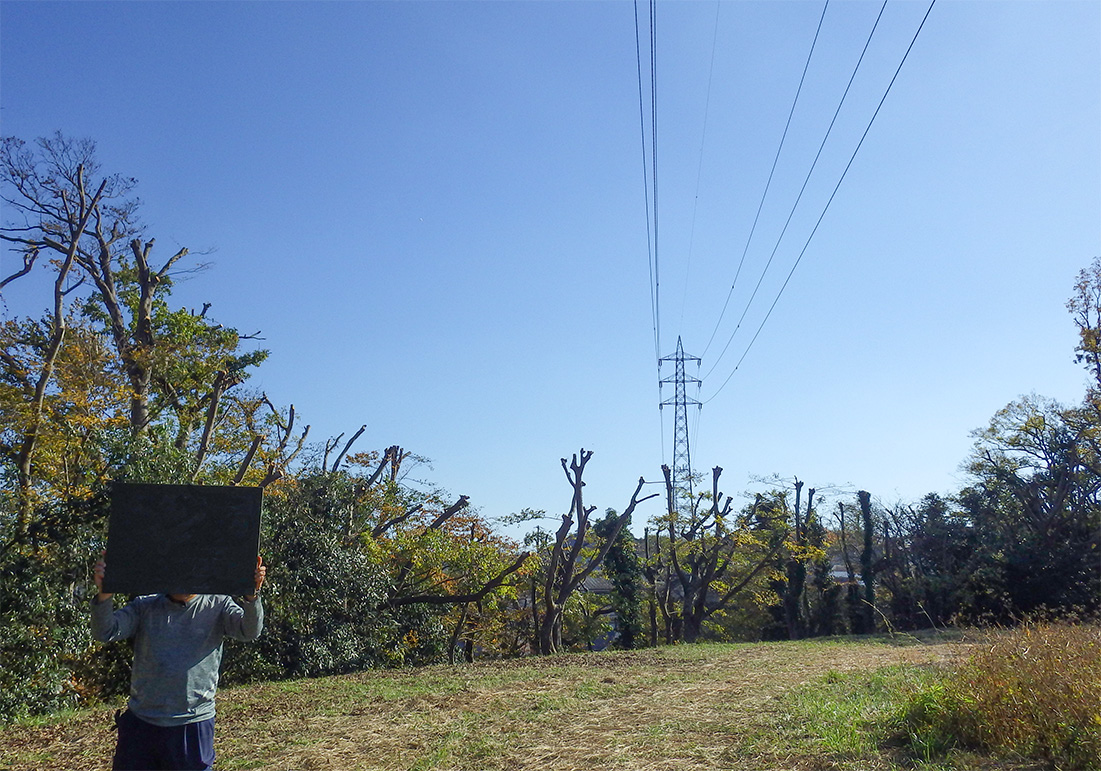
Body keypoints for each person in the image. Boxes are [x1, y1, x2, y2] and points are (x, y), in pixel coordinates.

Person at [91, 553, 267, 771]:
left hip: (192, 725)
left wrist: (252, 595)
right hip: (141, 725)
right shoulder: (145, 606)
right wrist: (104, 593)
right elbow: (105, 631)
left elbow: (249, 631)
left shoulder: (218, 604)